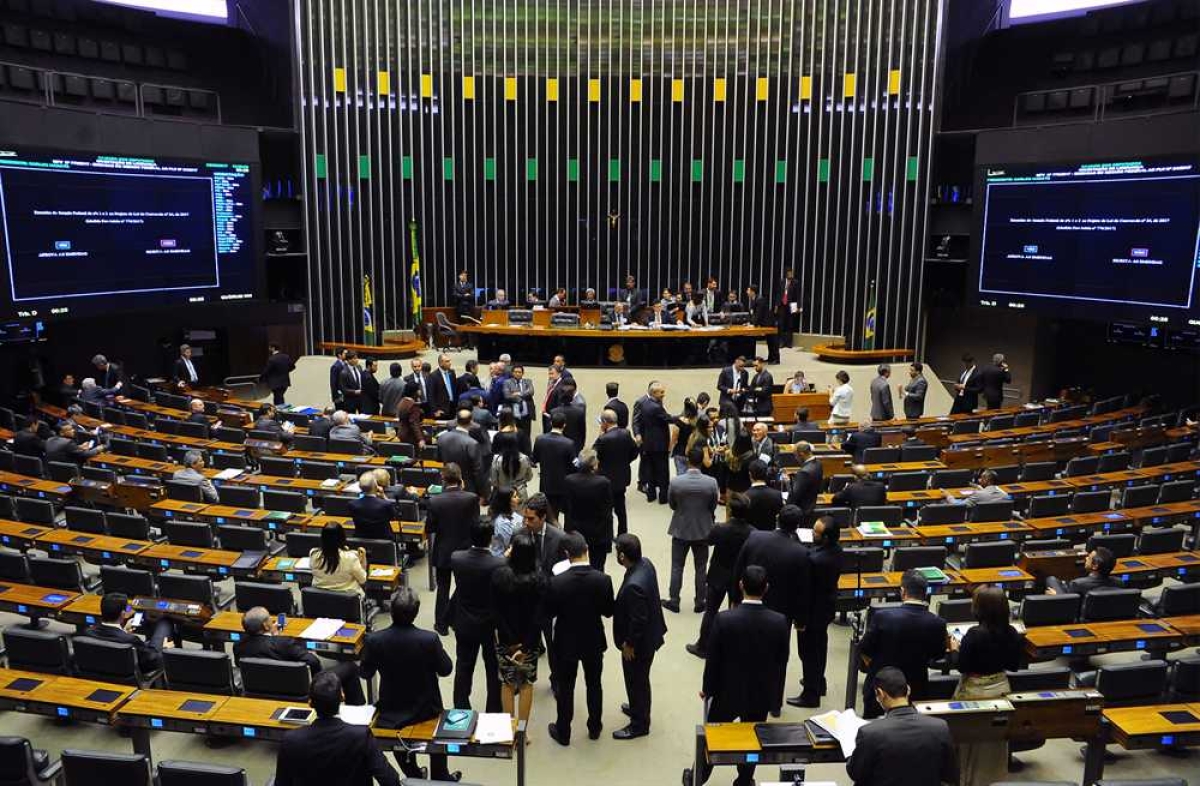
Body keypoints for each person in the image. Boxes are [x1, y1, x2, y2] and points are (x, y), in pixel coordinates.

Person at [686, 565, 789, 786]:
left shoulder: (724, 619)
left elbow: (713, 659)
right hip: (760, 694)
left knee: (713, 736)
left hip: (727, 692)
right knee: (752, 740)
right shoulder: (779, 622)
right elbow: (781, 663)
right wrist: (774, 698)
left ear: (741, 585)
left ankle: (698, 777)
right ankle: (744, 779)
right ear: (766, 588)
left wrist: (707, 689)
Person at [361, 588, 460, 783]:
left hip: (391, 711)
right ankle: (440, 775)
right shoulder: (429, 639)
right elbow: (446, 669)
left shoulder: (375, 640)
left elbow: (365, 673)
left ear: (391, 611)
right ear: (416, 612)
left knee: (398, 739)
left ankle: (413, 774)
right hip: (427, 709)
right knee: (437, 731)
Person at [545, 533, 615, 746]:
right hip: (593, 640)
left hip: (566, 641)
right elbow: (608, 611)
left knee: (566, 687)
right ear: (587, 549)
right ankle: (594, 727)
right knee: (594, 684)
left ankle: (563, 731)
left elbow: (550, 612)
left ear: (567, 554)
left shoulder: (557, 582)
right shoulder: (603, 580)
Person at [273, 671, 401, 786]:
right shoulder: (361, 736)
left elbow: (281, 783)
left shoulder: (291, 740)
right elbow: (391, 781)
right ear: (342, 697)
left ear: (310, 703)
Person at [950, 586, 1022, 786]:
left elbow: (962, 666)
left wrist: (955, 649)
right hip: (1001, 689)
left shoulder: (974, 634)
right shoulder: (1012, 633)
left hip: (975, 691)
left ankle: (967, 779)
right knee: (996, 739)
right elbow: (1014, 666)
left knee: (970, 739)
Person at [845, 667, 959, 786]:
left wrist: (850, 754)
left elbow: (855, 773)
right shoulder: (940, 728)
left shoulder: (869, 733)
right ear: (908, 690)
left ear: (880, 693)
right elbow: (950, 774)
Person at [859, 569, 948, 718]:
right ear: (925, 593)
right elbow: (938, 656)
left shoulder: (883, 617)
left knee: (873, 726)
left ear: (903, 591)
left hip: (881, 689)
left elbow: (864, 648)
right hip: (915, 689)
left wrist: (874, 668)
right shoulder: (938, 623)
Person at [234, 606, 365, 705]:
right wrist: (319, 684)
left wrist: (274, 638)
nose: (273, 621)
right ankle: (357, 710)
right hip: (296, 690)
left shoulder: (238, 646)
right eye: (270, 619)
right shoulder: (283, 643)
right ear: (265, 625)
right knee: (350, 667)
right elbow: (313, 662)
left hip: (260, 692)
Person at [731, 504, 811, 658]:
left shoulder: (755, 537)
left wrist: (735, 598)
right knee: (776, 656)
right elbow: (802, 589)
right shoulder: (801, 553)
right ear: (797, 526)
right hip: (782, 613)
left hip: (751, 602)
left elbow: (739, 568)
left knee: (746, 648)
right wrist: (801, 620)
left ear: (777, 519)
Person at [491, 529, 549, 726]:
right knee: (526, 684)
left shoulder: (499, 576)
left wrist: (510, 642)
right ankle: (522, 730)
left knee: (507, 683)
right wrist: (525, 646)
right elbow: (539, 618)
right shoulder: (539, 580)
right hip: (529, 642)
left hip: (505, 641)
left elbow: (496, 612)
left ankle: (510, 729)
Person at [612, 533, 667, 739]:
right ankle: (638, 708)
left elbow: (638, 620)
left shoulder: (634, 586)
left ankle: (639, 724)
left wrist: (629, 644)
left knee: (637, 681)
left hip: (639, 645)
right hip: (651, 635)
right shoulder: (646, 564)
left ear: (622, 556)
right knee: (639, 679)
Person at [448, 519, 505, 713]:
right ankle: (493, 710)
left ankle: (461, 708)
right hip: (491, 625)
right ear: (491, 538)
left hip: (464, 622)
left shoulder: (457, 558)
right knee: (493, 669)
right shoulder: (500, 563)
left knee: (464, 666)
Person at [688, 491, 754, 658]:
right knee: (738, 614)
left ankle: (703, 646)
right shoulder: (753, 533)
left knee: (711, 611)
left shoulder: (720, 528)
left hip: (718, 573)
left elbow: (709, 540)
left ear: (730, 510)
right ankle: (734, 649)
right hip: (740, 577)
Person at [426, 463, 479, 635]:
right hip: (464, 550)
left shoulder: (434, 501)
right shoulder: (471, 498)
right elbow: (476, 525)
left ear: (443, 479)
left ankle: (441, 624)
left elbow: (429, 528)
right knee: (463, 586)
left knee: (443, 588)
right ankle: (456, 619)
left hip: (443, 550)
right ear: (460, 478)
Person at [665, 446, 719, 614]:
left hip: (680, 528)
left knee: (677, 566)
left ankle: (674, 600)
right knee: (701, 567)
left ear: (688, 461)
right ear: (702, 461)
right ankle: (700, 601)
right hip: (703, 530)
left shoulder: (676, 482)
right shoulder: (711, 482)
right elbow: (713, 505)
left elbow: (672, 504)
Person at [796, 516, 842, 707]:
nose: (812, 534)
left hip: (811, 612)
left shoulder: (815, 561)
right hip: (826, 608)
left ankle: (810, 695)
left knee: (808, 653)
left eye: (816, 532)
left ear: (826, 537)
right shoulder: (837, 550)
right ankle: (818, 682)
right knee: (819, 648)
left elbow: (804, 591)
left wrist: (799, 619)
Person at [79, 592, 174, 673]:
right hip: (136, 670)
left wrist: (124, 631)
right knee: (165, 623)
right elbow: (151, 660)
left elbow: (110, 639)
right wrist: (164, 648)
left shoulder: (88, 632)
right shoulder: (131, 640)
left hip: (102, 671)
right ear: (123, 614)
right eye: (127, 608)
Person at [562, 449, 614, 571]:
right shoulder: (603, 483)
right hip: (598, 533)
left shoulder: (569, 480)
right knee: (597, 567)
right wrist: (608, 538)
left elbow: (565, 507)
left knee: (575, 567)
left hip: (575, 532)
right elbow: (608, 511)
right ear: (594, 464)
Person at [594, 409, 639, 536]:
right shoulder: (626, 433)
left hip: (606, 479)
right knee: (621, 510)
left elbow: (593, 455)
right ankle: (622, 534)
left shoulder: (603, 439)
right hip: (621, 478)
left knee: (606, 511)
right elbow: (635, 452)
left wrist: (599, 435)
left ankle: (608, 536)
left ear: (605, 422)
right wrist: (625, 462)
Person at [531, 410, 578, 519]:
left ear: (551, 423)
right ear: (564, 425)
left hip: (545, 483)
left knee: (547, 515)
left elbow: (534, 460)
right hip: (562, 485)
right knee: (564, 514)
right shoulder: (569, 443)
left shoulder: (540, 439)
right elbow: (573, 467)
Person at [310, 522, 367, 596]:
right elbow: (362, 580)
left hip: (320, 600)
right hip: (347, 600)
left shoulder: (314, 554)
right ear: (342, 538)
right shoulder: (351, 558)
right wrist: (363, 559)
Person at [436, 410, 484, 495]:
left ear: (456, 420)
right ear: (471, 422)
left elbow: (438, 459)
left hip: (447, 484)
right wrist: (482, 492)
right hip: (467, 488)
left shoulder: (441, 438)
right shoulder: (472, 443)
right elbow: (478, 471)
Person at [640, 381, 673, 504]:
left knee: (650, 470)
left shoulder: (645, 404)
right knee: (662, 471)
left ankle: (651, 495)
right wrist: (681, 417)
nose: (664, 394)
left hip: (648, 443)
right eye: (661, 392)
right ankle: (663, 497)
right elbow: (668, 418)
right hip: (659, 445)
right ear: (654, 393)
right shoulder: (656, 407)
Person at [1046, 547, 1120, 596]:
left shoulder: (1078, 584)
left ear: (1095, 566)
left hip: (1079, 613)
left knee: (1051, 579)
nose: (1086, 558)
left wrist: (1057, 595)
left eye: (1089, 558)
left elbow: (1069, 604)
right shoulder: (1119, 582)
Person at [348, 470, 395, 541]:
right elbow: (394, 517)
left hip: (361, 540)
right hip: (384, 541)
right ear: (376, 486)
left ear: (360, 487)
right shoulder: (386, 504)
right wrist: (384, 497)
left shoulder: (352, 504)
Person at [489, 432, 533, 503]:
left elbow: (494, 482)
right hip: (520, 493)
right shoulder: (525, 458)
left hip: (502, 494)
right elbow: (529, 477)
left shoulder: (496, 459)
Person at [744, 460, 783, 531]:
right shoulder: (777, 495)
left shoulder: (744, 496)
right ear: (766, 473)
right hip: (770, 535)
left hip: (751, 535)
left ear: (750, 474)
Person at [788, 441, 823, 519]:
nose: (796, 458)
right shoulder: (818, 463)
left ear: (801, 454)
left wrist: (786, 508)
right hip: (812, 504)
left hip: (802, 510)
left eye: (795, 455)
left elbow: (794, 496)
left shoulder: (804, 473)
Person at [550, 379, 587, 452]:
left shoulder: (554, 412)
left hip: (558, 445)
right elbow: (582, 431)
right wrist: (581, 445)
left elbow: (552, 431)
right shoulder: (579, 412)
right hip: (575, 445)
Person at [746, 284, 780, 364]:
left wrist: (754, 324)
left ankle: (776, 359)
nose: (747, 292)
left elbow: (759, 314)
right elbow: (753, 314)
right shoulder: (754, 299)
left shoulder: (760, 299)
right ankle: (771, 358)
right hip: (764, 324)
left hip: (769, 323)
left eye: (748, 290)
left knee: (772, 342)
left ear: (752, 292)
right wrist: (750, 322)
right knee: (769, 341)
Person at [502, 363, 535, 439]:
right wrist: (523, 395)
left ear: (522, 373)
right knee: (513, 435)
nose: (517, 373)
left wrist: (518, 393)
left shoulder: (528, 381)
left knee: (526, 436)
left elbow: (531, 392)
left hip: (526, 415)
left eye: (519, 372)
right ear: (512, 373)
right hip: (513, 414)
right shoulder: (507, 382)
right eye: (515, 372)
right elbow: (507, 395)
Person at [946, 469, 1011, 507]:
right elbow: (989, 493)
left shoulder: (977, 494)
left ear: (987, 481)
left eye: (981, 478)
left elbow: (958, 505)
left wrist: (948, 495)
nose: (979, 480)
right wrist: (977, 486)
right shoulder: (1004, 494)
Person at [487, 486, 521, 557]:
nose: (518, 498)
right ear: (507, 501)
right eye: (514, 497)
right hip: (504, 557)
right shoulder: (502, 523)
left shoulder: (513, 513)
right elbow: (509, 545)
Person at [428, 354, 459, 419]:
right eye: (447, 361)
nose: (450, 363)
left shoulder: (452, 372)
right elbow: (431, 395)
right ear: (441, 363)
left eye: (449, 361)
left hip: (453, 407)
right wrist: (435, 410)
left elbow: (455, 388)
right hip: (441, 410)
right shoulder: (433, 376)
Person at [777, 268, 802, 348]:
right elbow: (778, 294)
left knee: (790, 324)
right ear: (786, 274)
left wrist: (798, 306)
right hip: (782, 305)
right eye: (789, 273)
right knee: (781, 324)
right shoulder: (782, 282)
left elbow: (798, 295)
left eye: (792, 273)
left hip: (791, 305)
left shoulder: (795, 282)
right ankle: (781, 342)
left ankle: (789, 343)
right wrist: (776, 305)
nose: (791, 275)